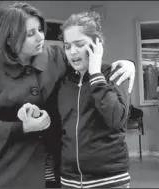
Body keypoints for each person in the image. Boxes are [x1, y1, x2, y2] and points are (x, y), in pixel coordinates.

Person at [0, 2, 136, 188]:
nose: (40, 37)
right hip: (9, 169)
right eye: (30, 34)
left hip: (56, 168)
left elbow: (89, 58)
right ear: (9, 39)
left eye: (40, 29)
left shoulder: (56, 56)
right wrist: (21, 127)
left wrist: (128, 64)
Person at [54, 12, 131, 188]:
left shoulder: (115, 74)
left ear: (97, 44)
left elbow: (117, 120)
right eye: (67, 46)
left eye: (79, 44)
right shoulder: (64, 82)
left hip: (109, 180)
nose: (72, 51)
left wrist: (96, 74)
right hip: (70, 180)